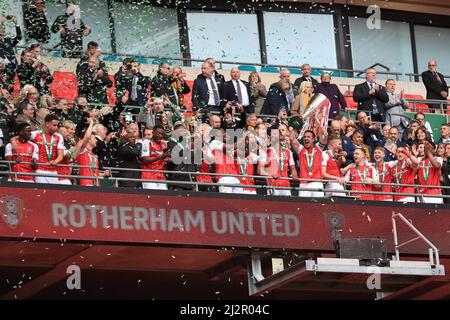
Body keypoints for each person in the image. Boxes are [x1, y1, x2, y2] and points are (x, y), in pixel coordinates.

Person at [258, 124, 298, 196]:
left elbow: (293, 168)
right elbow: (260, 170)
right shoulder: (266, 151)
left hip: (286, 187)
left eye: (279, 133)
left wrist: (294, 174)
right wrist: (271, 175)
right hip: (273, 186)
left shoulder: (288, 152)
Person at [291, 129, 328, 198]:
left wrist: (321, 127)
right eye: (304, 137)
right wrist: (295, 127)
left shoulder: (319, 148)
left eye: (308, 137)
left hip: (317, 183)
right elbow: (292, 139)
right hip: (303, 183)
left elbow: (325, 136)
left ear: (313, 139)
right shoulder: (301, 150)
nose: (306, 138)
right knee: (304, 207)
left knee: (318, 206)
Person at [30, 114, 64, 184]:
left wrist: (55, 161)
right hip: (39, 170)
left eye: (57, 125)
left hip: (53, 171)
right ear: (47, 124)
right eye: (54, 125)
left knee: (54, 193)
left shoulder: (59, 137)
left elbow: (61, 154)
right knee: (40, 192)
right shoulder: (35, 134)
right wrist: (13, 140)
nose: (56, 128)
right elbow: (18, 137)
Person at [74, 118, 110, 186]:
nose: (96, 140)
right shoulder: (82, 150)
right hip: (86, 183)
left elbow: (95, 173)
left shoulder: (94, 155)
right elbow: (87, 137)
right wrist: (91, 123)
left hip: (96, 184)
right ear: (89, 141)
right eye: (94, 139)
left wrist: (104, 174)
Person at [140, 125, 169, 190]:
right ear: (153, 133)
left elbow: (165, 158)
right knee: (152, 198)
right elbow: (145, 160)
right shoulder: (146, 143)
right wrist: (161, 157)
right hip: (149, 176)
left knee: (163, 198)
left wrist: (167, 159)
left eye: (162, 134)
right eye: (158, 133)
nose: (160, 136)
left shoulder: (164, 144)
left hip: (161, 176)